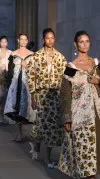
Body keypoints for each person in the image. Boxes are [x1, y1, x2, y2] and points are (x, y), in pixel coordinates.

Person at [58, 31, 100, 179]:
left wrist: (99, 82)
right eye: (81, 41)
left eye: (87, 41)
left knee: (95, 150)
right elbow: (65, 93)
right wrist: (67, 117)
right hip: (79, 115)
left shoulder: (97, 64)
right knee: (82, 148)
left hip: (98, 114)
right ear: (76, 44)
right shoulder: (71, 67)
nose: (85, 44)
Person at [27, 28, 67, 168]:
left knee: (51, 126)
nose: (50, 40)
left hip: (55, 95)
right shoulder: (36, 57)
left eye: (52, 38)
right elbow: (31, 77)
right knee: (40, 123)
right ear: (43, 39)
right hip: (41, 94)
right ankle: (37, 147)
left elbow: (66, 76)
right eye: (47, 38)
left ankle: (48, 158)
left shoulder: (60, 57)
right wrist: (32, 96)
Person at [4, 33, 35, 142]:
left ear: (27, 41)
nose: (23, 41)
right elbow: (9, 71)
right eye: (21, 39)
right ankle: (20, 133)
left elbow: (36, 70)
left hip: (27, 83)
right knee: (16, 108)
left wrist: (28, 66)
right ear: (18, 41)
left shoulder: (32, 54)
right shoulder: (13, 54)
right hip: (16, 83)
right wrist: (8, 84)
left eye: (25, 39)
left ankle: (31, 133)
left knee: (28, 107)